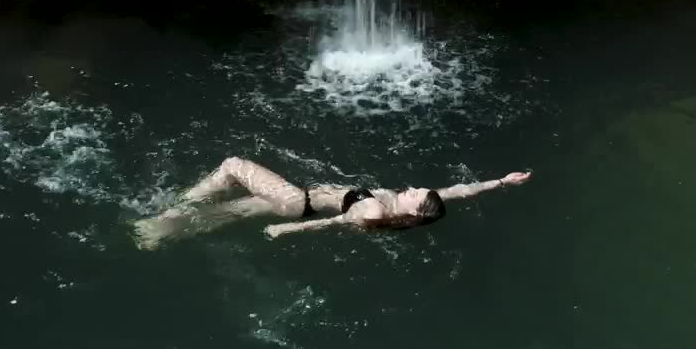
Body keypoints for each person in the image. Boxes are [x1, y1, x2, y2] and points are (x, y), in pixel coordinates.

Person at [132, 156, 531, 249]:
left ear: (414, 210)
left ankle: (173, 208)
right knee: (230, 211)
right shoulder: (399, 208)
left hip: (296, 203)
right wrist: (500, 181)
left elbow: (334, 224)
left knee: (233, 165)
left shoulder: (374, 211)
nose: (413, 187)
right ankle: (158, 234)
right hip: (299, 202)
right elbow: (458, 191)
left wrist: (287, 229)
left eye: (416, 194)